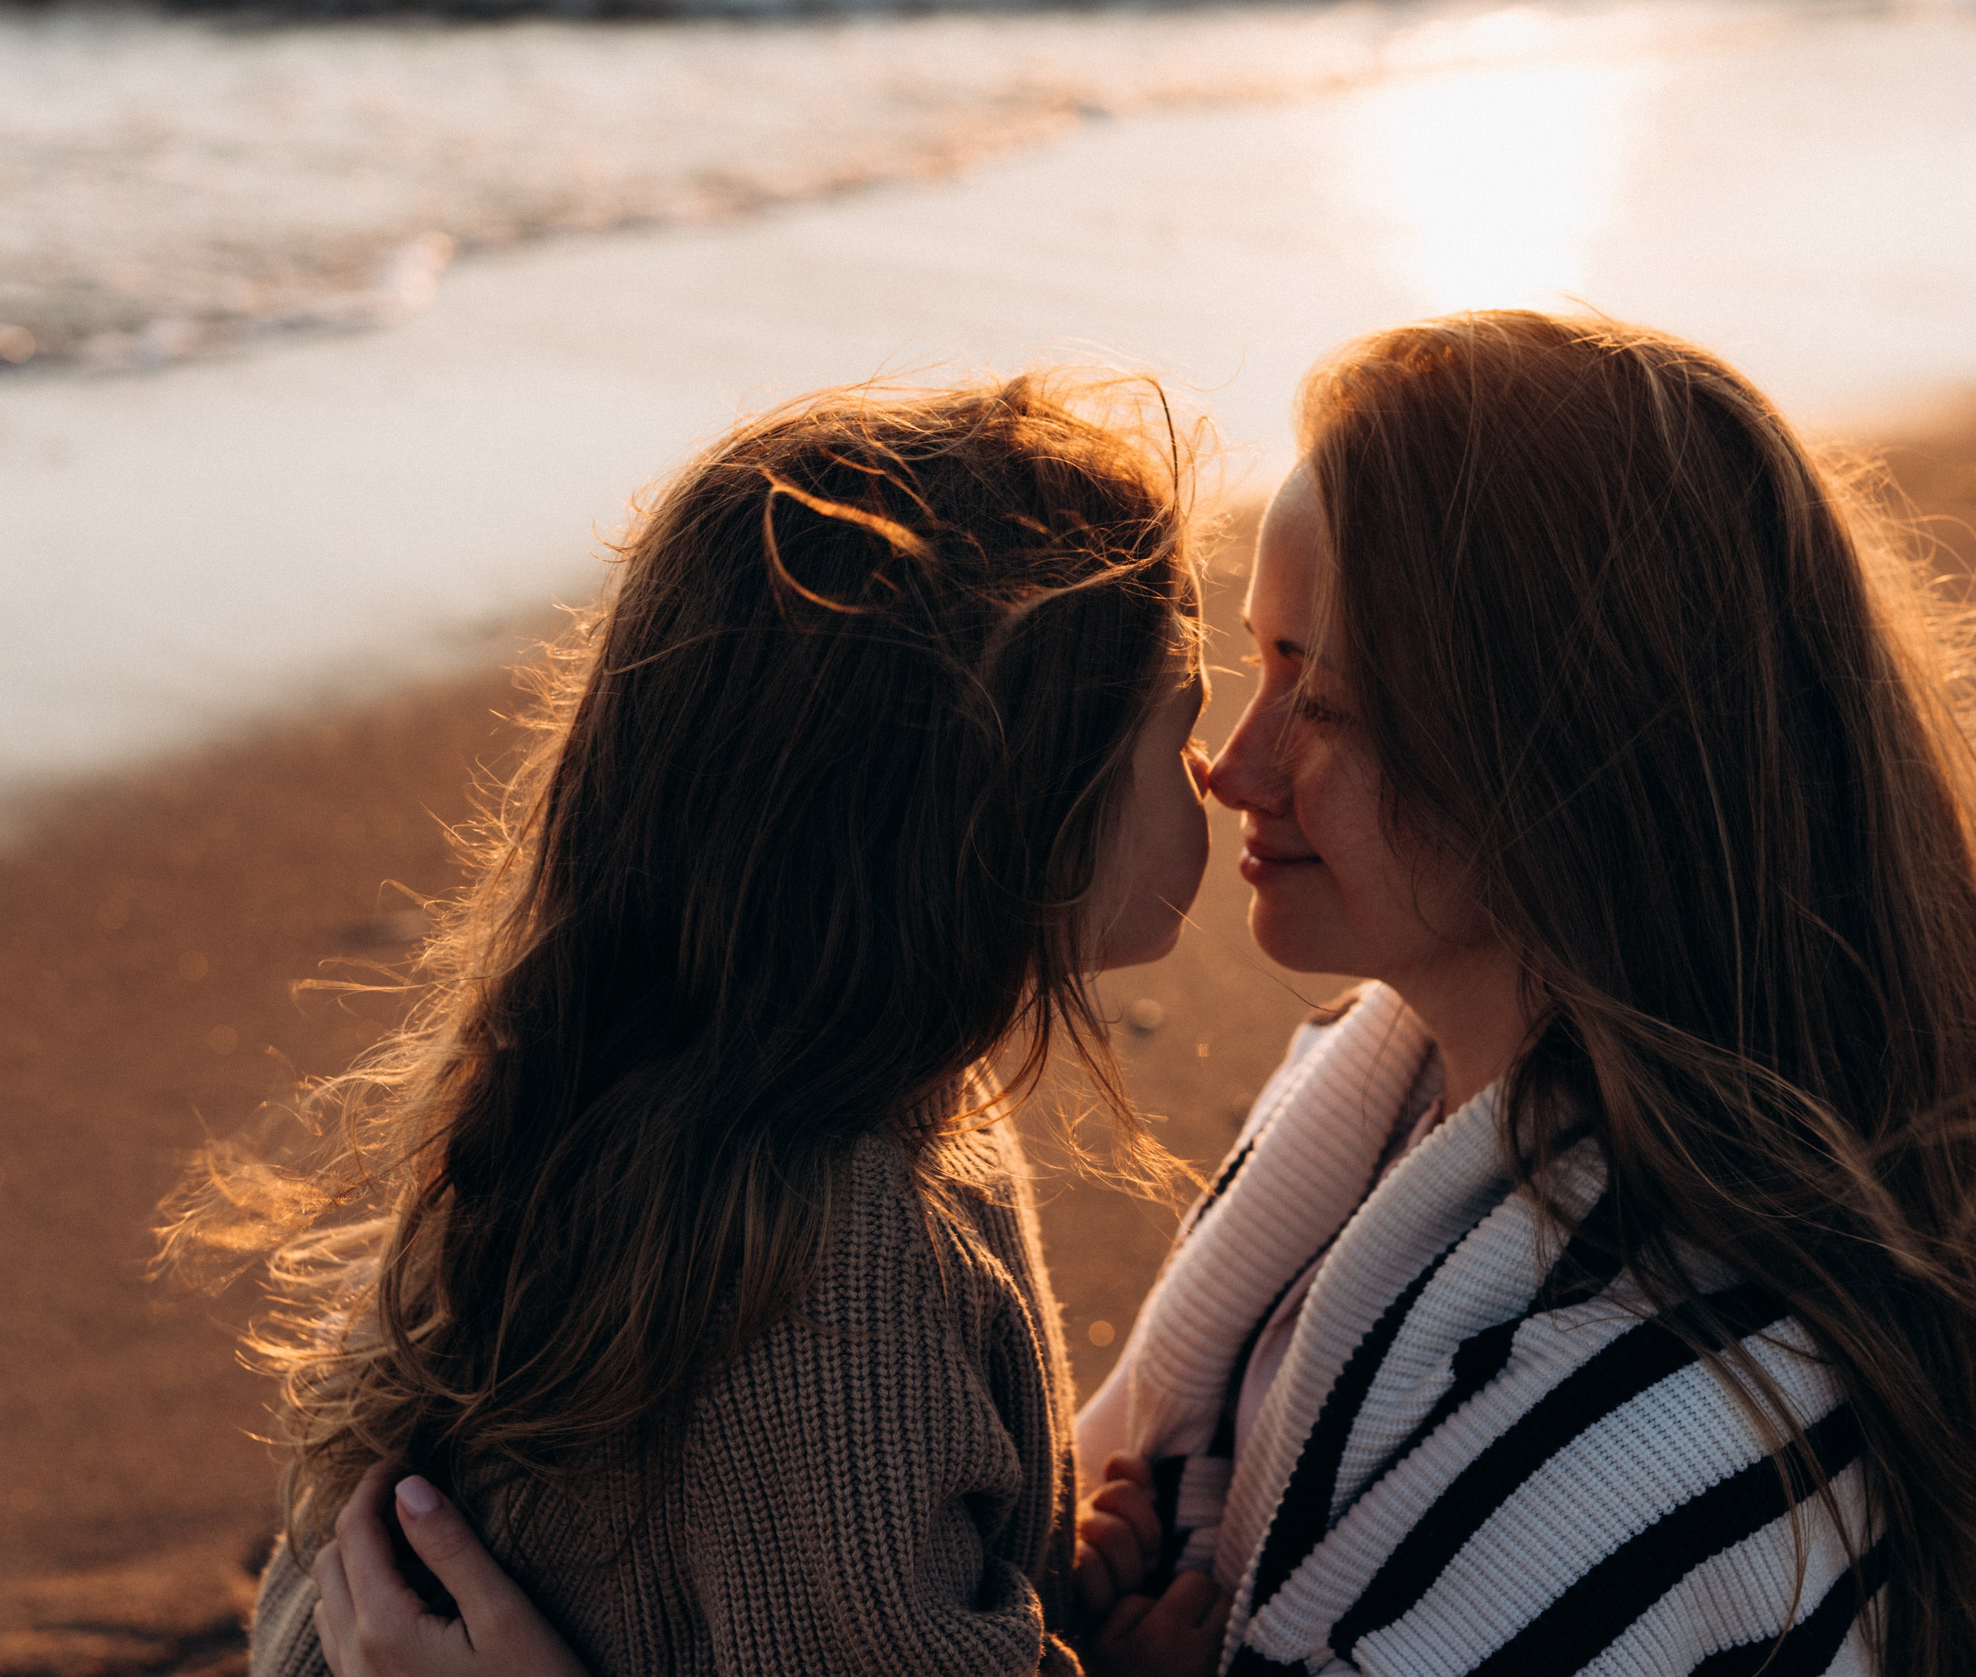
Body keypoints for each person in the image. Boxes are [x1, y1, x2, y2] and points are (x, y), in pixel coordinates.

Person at [297, 312, 1976, 1676]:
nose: (1232, 765)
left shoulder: (1656, 1440)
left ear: (1565, 760)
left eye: (1314, 695)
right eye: (1242, 668)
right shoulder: (1382, 1097)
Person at [162, 373, 1237, 1677]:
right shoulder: (836, 1259)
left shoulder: (606, 1099)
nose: (1219, 775)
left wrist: (1028, 1579)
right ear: (1001, 814)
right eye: (1178, 728)